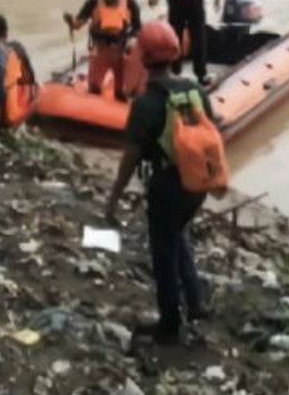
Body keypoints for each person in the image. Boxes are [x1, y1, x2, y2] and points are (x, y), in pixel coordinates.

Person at [104, 20, 222, 344]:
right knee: (179, 235)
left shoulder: (146, 104)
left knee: (164, 252)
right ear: (175, 55)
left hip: (167, 184)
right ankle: (196, 302)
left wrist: (113, 199)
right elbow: (211, 130)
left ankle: (170, 323)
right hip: (196, 183)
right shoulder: (196, 91)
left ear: (143, 59)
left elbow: (130, 158)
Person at [63, 0, 142, 100]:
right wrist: (71, 22)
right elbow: (79, 23)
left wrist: (131, 40)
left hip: (121, 52)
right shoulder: (93, 1)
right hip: (100, 51)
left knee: (121, 91)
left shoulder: (130, 2)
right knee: (94, 88)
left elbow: (138, 28)